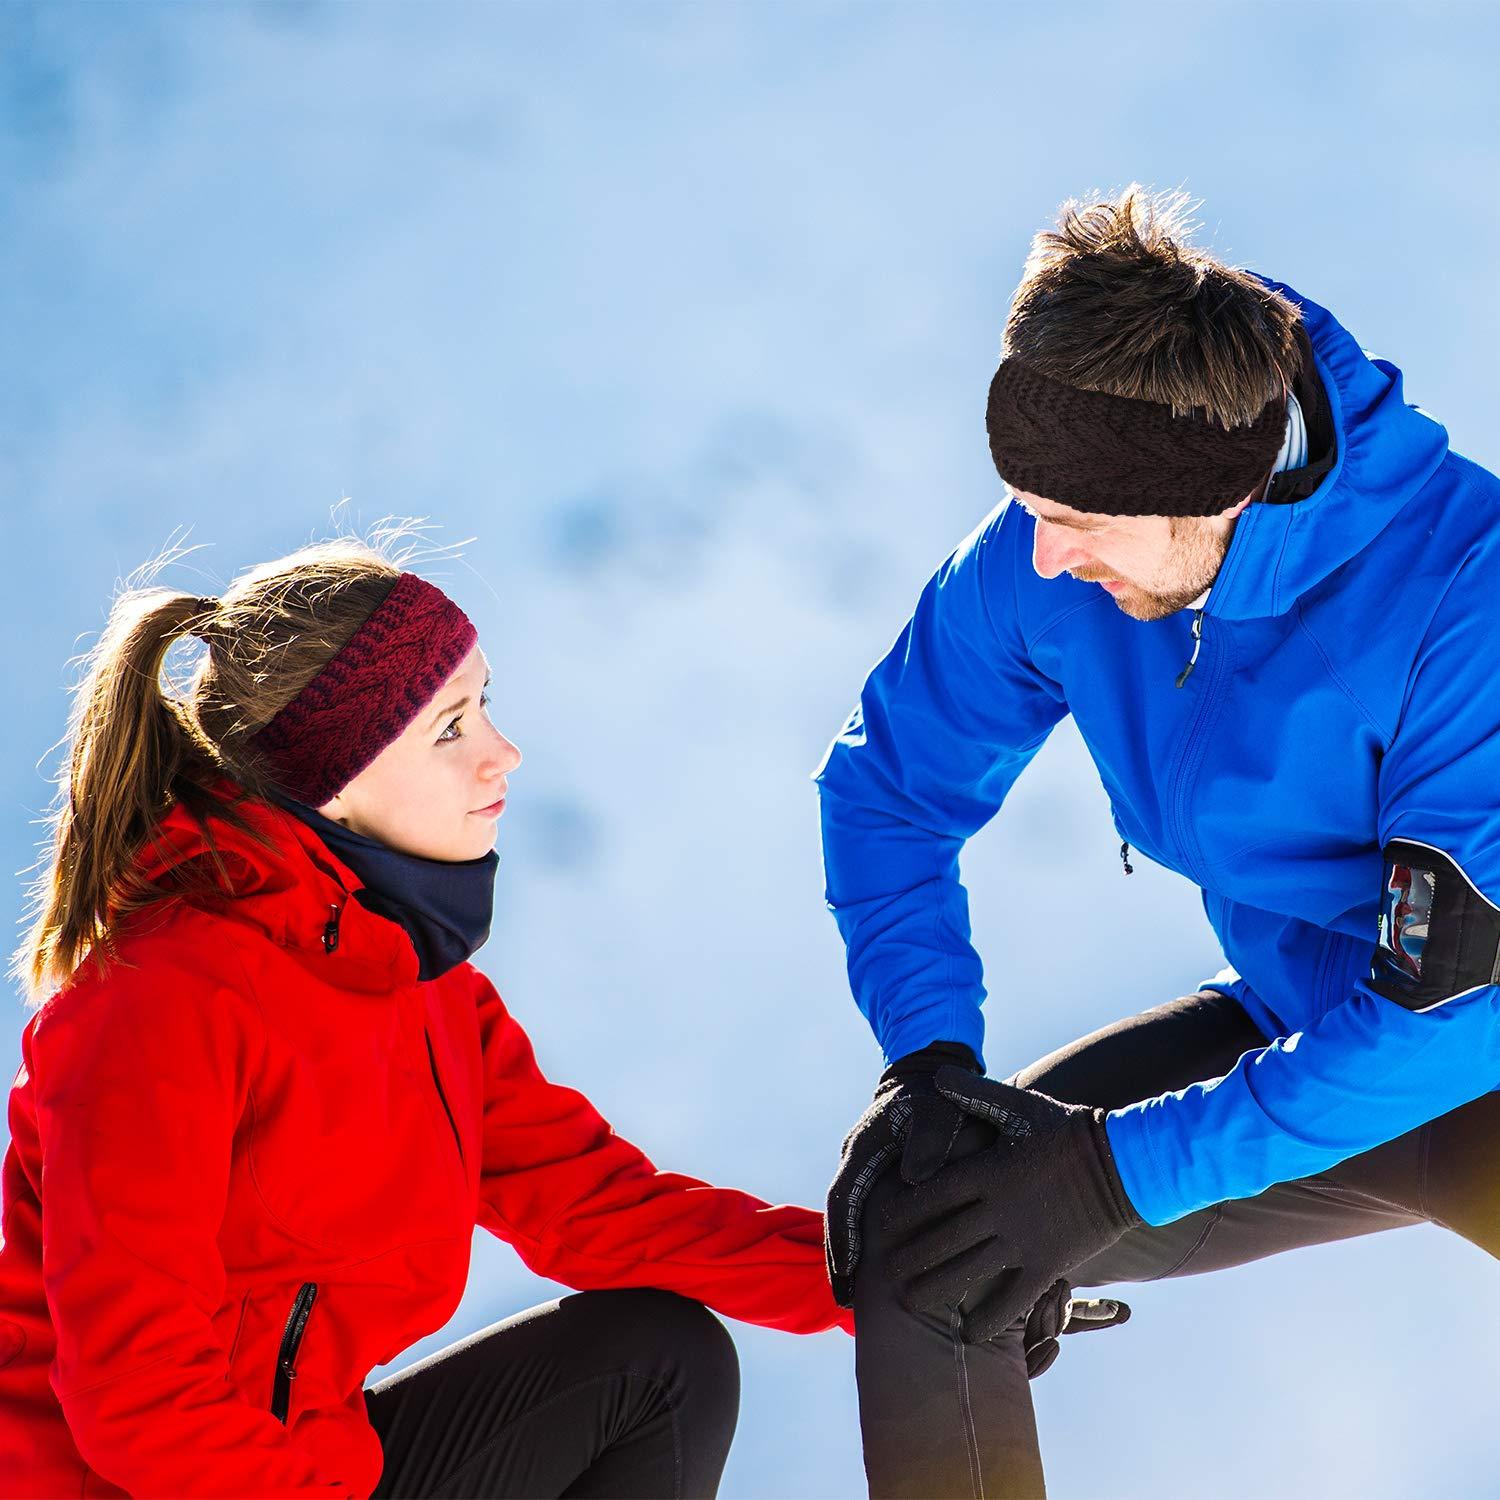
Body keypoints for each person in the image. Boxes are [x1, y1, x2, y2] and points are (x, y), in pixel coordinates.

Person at [817, 185, 1500, 1498]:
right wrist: (929, 1056)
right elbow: (891, 788)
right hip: (1308, 1029)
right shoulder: (1053, 541)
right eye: (1025, 502)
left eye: (1078, 520)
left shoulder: (1464, 598)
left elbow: (1443, 1018)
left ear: (1221, 496)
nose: (1044, 553)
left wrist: (1106, 1177)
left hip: (1466, 1051)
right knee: (933, 1240)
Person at [0, 540, 850, 1498]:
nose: (503, 753)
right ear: (335, 779)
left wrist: (874, 1282)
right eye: (450, 729)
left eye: (485, 704)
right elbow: (139, 1401)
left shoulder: (415, 983)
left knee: (658, 1362)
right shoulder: (154, 1003)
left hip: (315, 1470)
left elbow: (593, 1206)